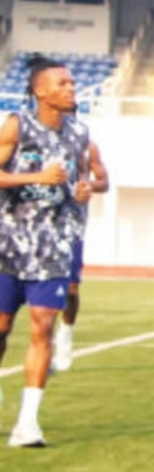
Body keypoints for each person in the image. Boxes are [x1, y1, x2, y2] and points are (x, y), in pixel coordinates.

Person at [0, 55, 92, 447]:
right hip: (8, 245)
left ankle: (28, 423)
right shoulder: (17, 125)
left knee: (43, 328)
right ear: (40, 90)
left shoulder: (80, 133)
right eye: (62, 84)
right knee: (2, 327)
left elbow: (81, 178)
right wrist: (35, 176)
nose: (70, 89)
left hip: (53, 246)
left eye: (71, 83)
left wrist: (82, 191)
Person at [51, 138, 108, 372]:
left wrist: (87, 185)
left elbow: (104, 182)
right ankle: (43, 343)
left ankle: (65, 334)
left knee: (71, 288)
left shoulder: (87, 146)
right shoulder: (34, 141)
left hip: (71, 227)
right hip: (37, 226)